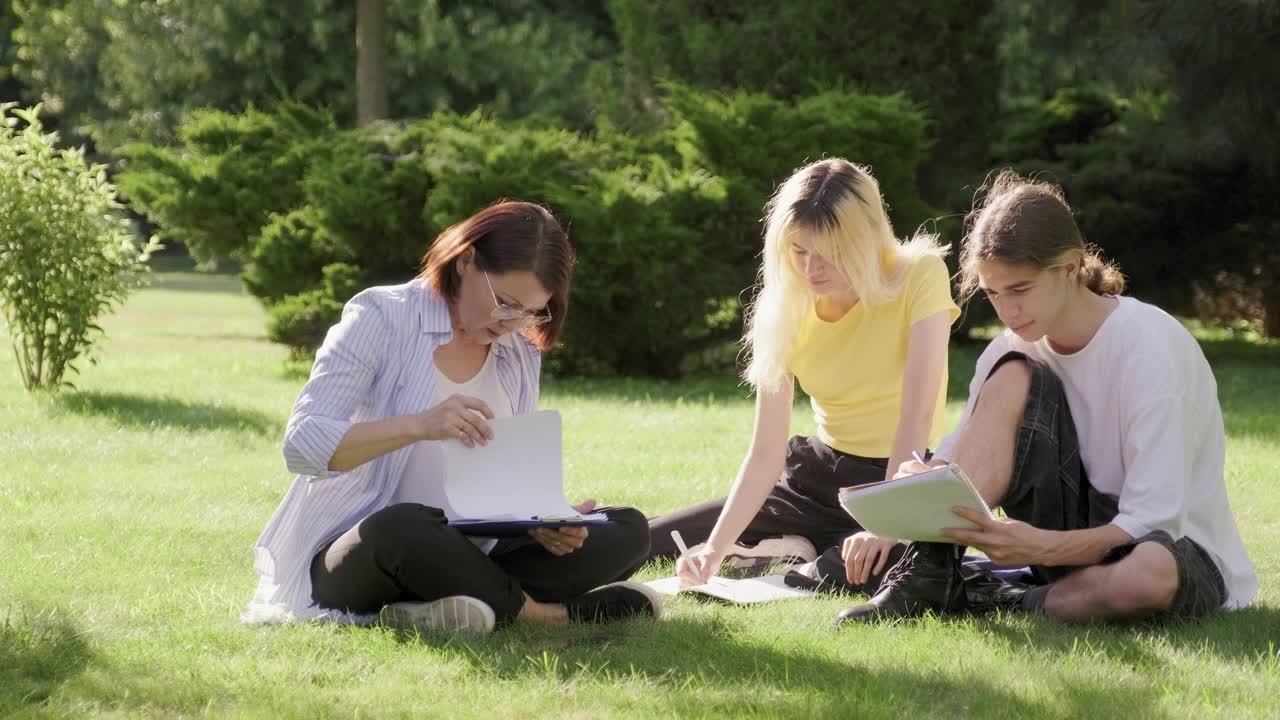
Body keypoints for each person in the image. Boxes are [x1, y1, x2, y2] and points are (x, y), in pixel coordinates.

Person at [837, 170, 1257, 624]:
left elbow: (1152, 521)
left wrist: (1038, 546)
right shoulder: (1010, 347)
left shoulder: (1150, 347)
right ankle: (929, 574)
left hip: (1168, 544)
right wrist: (905, 504)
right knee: (1012, 373)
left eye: (1021, 289)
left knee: (1148, 575)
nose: (1008, 310)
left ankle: (999, 601)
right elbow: (960, 462)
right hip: (1067, 525)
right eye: (994, 294)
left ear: (1071, 266)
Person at [243, 201, 661, 634]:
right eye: (505, 302)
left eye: (531, 310)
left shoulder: (518, 346)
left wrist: (543, 521)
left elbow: (503, 470)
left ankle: (442, 607)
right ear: (466, 261)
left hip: (473, 549)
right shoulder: (381, 316)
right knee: (404, 524)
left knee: (626, 528)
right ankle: (544, 614)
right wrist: (420, 425)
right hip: (366, 549)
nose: (512, 322)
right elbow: (303, 444)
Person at [651, 158, 960, 592]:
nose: (811, 270)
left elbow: (917, 415)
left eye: (830, 255)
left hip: (899, 473)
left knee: (874, 570)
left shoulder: (919, 275)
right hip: (814, 476)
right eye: (799, 253)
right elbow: (764, 454)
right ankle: (786, 545)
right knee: (651, 540)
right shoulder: (784, 307)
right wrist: (714, 550)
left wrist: (887, 524)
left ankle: (801, 553)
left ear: (865, 240)